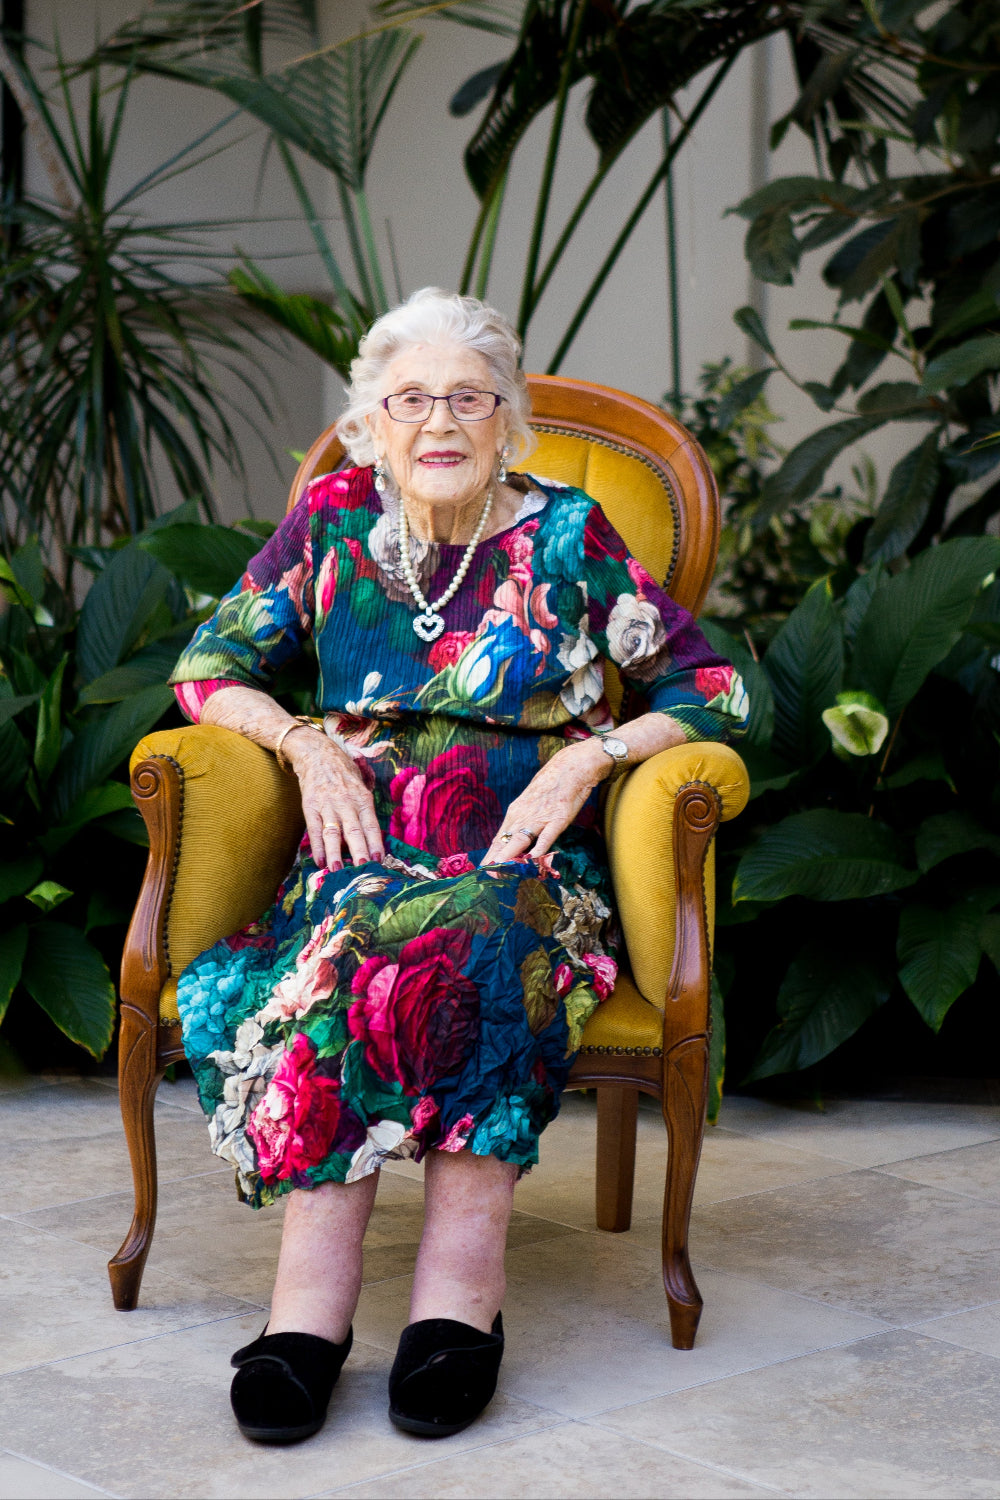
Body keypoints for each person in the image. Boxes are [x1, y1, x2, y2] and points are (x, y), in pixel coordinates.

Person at [170, 287, 748, 1445]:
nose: (439, 422)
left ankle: (456, 1300)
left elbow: (719, 690)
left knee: (478, 930)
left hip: (522, 860)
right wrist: (298, 746)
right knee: (351, 933)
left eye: (468, 398)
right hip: (361, 855)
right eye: (410, 400)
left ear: (508, 419)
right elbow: (206, 665)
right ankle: (308, 1315)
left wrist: (588, 758)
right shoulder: (332, 525)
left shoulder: (567, 536)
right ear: (369, 422)